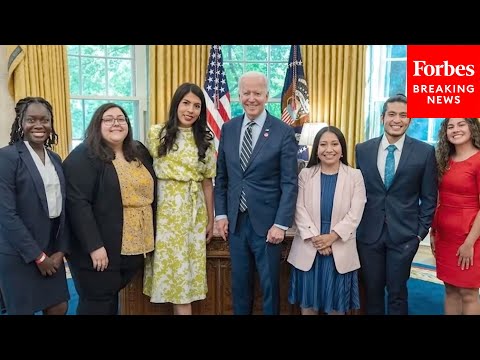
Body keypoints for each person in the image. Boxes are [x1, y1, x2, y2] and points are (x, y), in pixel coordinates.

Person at [214, 71, 298, 315]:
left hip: (268, 225)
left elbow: (290, 182)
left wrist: (281, 224)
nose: (252, 98)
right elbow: (222, 177)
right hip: (236, 224)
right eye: (246, 93)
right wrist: (221, 215)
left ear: (267, 96)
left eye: (257, 93)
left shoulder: (282, 131)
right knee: (239, 286)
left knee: (270, 287)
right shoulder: (228, 129)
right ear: (239, 95)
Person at [62, 103, 156, 315]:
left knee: (110, 301)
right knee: (98, 303)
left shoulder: (138, 150)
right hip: (99, 249)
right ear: (97, 124)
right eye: (109, 119)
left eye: (121, 119)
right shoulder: (84, 156)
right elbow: (77, 204)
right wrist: (94, 246)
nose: (116, 123)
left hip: (133, 247)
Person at [355, 93, 438, 315]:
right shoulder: (362, 150)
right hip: (368, 236)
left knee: (397, 293)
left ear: (410, 120)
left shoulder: (425, 152)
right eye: (392, 114)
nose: (397, 119)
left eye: (403, 115)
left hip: (404, 237)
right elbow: (355, 192)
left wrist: (419, 234)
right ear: (382, 117)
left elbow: (429, 198)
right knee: (371, 293)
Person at [143, 82, 216, 315]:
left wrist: (210, 220)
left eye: (196, 105)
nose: (190, 110)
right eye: (186, 103)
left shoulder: (205, 138)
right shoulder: (157, 133)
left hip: (193, 212)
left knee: (187, 280)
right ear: (176, 104)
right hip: (164, 213)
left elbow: (207, 182)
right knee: (169, 274)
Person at [0, 96, 70, 315]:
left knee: (59, 306)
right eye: (31, 120)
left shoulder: (56, 158)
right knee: (22, 310)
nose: (39, 125)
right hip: (19, 253)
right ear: (21, 123)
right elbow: (6, 214)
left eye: (45, 120)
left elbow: (64, 209)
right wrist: (37, 256)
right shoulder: (7, 157)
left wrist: (60, 250)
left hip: (52, 250)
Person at [287, 126, 366, 315]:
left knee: (337, 309)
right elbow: (298, 209)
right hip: (309, 248)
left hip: (339, 247)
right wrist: (318, 240)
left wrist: (331, 237)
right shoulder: (305, 174)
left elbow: (356, 212)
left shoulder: (355, 176)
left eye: (334, 144)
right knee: (308, 308)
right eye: (323, 144)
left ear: (342, 149)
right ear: (316, 149)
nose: (328, 149)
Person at [430, 118, 480, 315]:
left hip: (470, 237)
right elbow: (438, 198)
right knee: (449, 288)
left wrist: (469, 242)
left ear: (472, 127)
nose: (455, 130)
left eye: (461, 124)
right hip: (444, 236)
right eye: (450, 126)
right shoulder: (444, 159)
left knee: (468, 292)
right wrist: (433, 232)